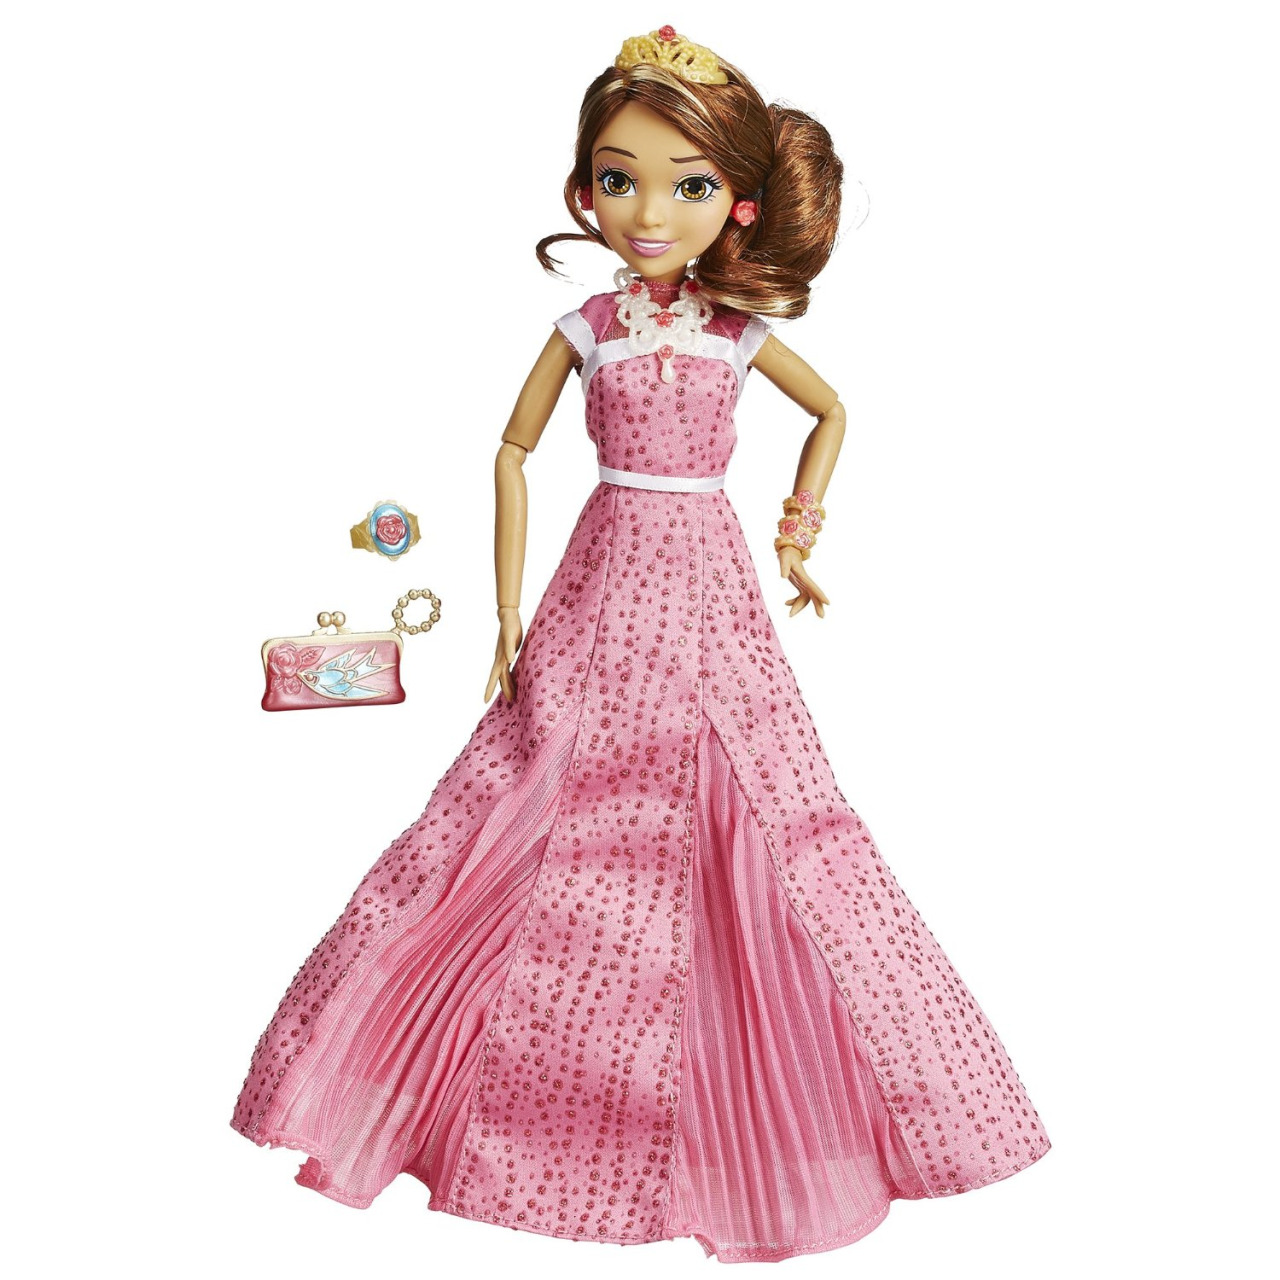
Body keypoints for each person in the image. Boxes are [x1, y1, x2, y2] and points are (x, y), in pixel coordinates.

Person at [231, 27, 1050, 1263]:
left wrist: (796, 531)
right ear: (584, 190)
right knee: (521, 786)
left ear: (738, 204)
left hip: (708, 577)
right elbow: (510, 451)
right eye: (619, 180)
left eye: (687, 185)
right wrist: (504, 608)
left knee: (774, 802)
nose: (649, 212)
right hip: (600, 566)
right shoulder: (586, 327)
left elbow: (832, 409)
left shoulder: (734, 335)